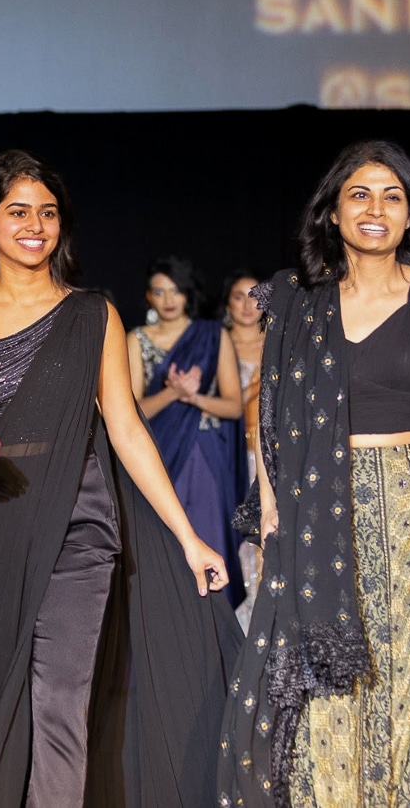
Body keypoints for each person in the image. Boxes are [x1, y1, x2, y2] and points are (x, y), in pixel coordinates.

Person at [0, 149, 239, 806]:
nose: (35, 225)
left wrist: (188, 536)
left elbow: (126, 430)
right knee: (2, 704)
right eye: (18, 212)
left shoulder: (93, 315)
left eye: (48, 212)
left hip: (78, 524)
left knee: (62, 698)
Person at [220, 139, 410, 806]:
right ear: (332, 215)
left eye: (392, 197)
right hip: (320, 508)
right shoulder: (299, 303)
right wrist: (273, 505)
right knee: (329, 673)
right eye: (360, 195)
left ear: (408, 216)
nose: (376, 209)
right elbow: (271, 416)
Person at [128, 256, 247, 608]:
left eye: (175, 291)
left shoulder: (212, 335)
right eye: (159, 292)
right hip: (158, 454)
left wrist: (194, 397)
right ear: (148, 297)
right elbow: (132, 412)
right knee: (164, 544)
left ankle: (216, 631)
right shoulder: (136, 339)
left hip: (206, 452)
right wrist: (173, 393)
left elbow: (233, 406)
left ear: (187, 293)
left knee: (209, 534)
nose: (168, 300)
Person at [222, 267, 266, 632]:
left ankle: (264, 627)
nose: (248, 304)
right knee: (234, 538)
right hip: (231, 456)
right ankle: (236, 629)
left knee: (266, 540)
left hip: (269, 457)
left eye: (255, 295)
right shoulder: (217, 344)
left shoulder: (279, 342)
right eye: (239, 296)